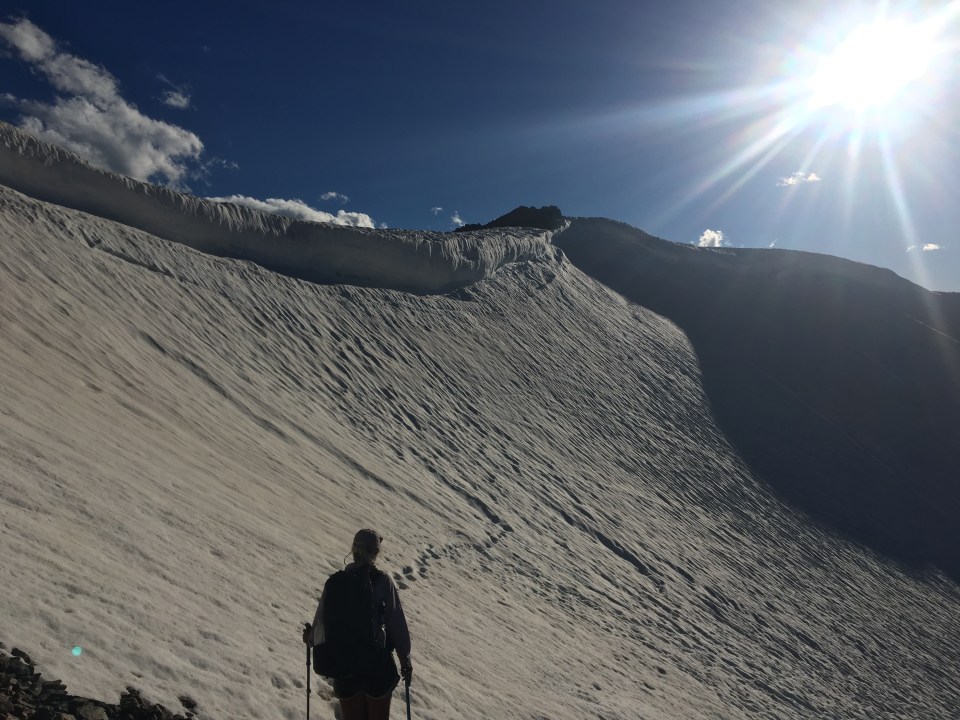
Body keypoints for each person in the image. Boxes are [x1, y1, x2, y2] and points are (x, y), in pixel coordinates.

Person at [304, 529, 412, 720]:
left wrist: (309, 638)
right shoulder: (382, 582)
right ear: (376, 553)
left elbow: (320, 627)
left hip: (344, 669)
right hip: (377, 669)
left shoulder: (334, 583)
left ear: (353, 549)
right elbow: (396, 625)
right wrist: (405, 661)